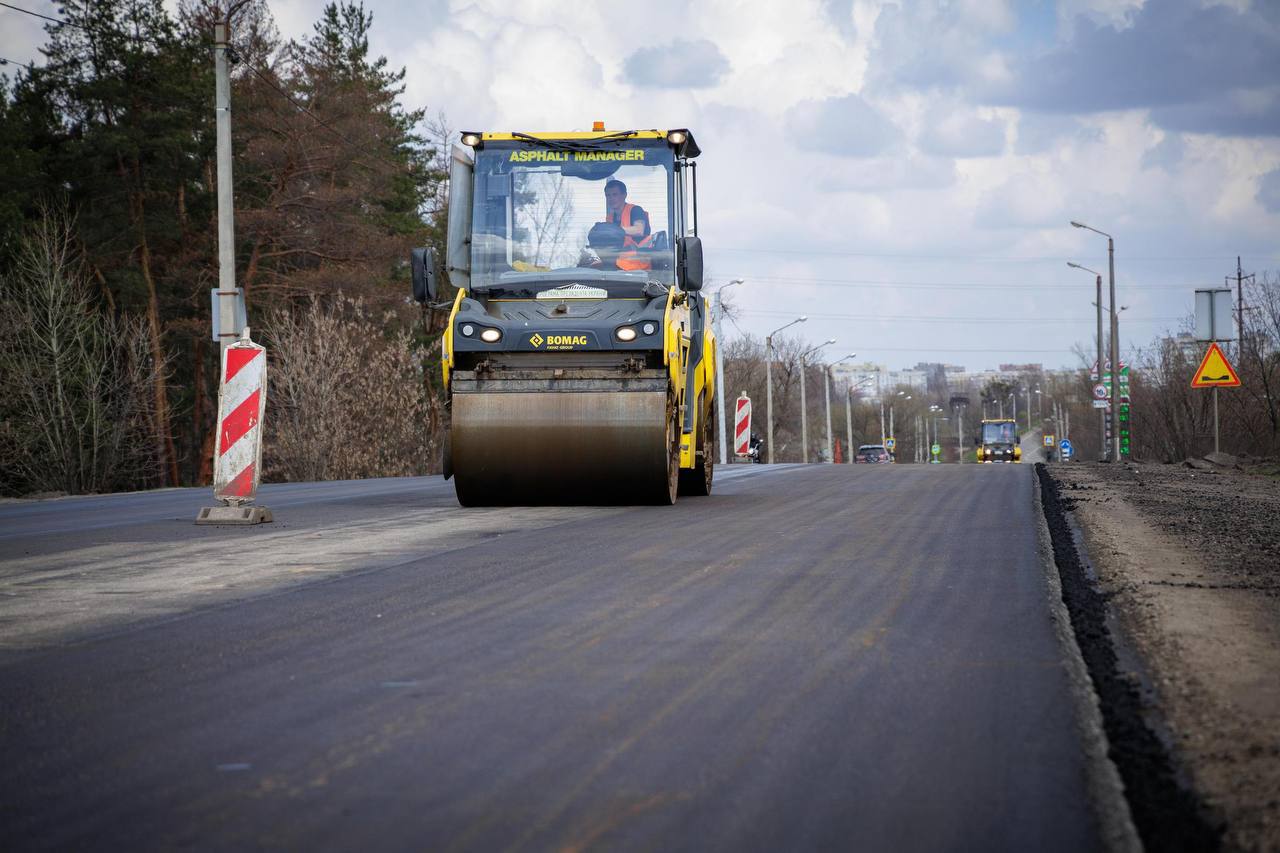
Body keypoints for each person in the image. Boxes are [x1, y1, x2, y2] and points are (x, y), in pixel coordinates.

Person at [602, 179, 653, 270]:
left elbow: (639, 230)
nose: (611, 198)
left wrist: (616, 230)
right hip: (619, 260)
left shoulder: (635, 210)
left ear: (624, 195)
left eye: (614, 194)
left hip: (638, 263)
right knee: (591, 266)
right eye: (608, 195)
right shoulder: (610, 218)